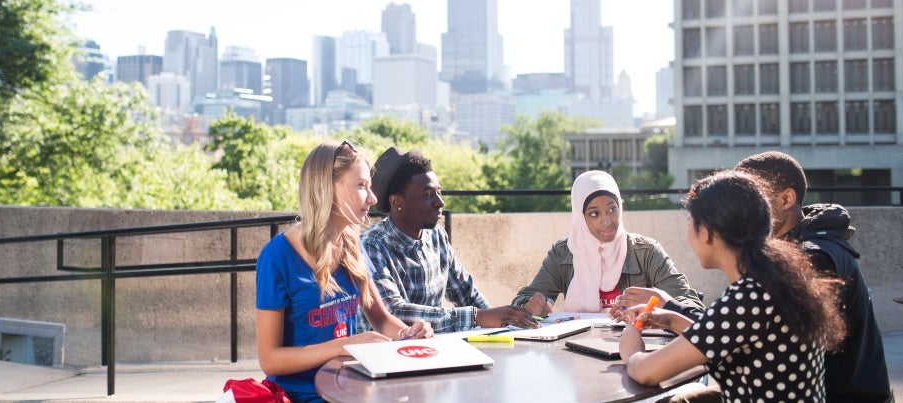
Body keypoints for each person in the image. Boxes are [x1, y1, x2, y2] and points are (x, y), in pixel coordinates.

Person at [617, 169, 846, 402]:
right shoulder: (780, 280)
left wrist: (631, 351)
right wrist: (671, 319)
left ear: (705, 232)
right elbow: (722, 336)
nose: (688, 235)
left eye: (690, 224)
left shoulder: (748, 299)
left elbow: (646, 373)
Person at [255, 140, 433, 403]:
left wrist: (410, 334)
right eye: (361, 186)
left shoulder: (353, 246)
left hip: (348, 388)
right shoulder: (276, 256)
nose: (372, 199)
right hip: (301, 396)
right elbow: (270, 360)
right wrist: (346, 346)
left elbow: (382, 320)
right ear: (326, 189)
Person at [736, 151, 894, 402]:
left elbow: (757, 338)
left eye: (751, 199)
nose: (741, 211)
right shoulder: (798, 245)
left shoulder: (816, 257)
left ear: (786, 198)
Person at [361, 147, 537, 332]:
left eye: (439, 192)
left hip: (432, 350)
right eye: (427, 194)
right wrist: (478, 317)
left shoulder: (436, 235)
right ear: (397, 202)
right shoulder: (372, 245)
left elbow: (467, 295)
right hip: (387, 354)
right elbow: (393, 313)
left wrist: (504, 326)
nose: (440, 202)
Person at [512, 170, 704, 317]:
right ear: (580, 217)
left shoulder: (646, 252)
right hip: (577, 352)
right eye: (594, 213)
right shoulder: (563, 253)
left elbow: (692, 307)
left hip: (633, 349)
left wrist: (658, 305)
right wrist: (530, 306)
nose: (607, 221)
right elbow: (519, 305)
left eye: (612, 209)